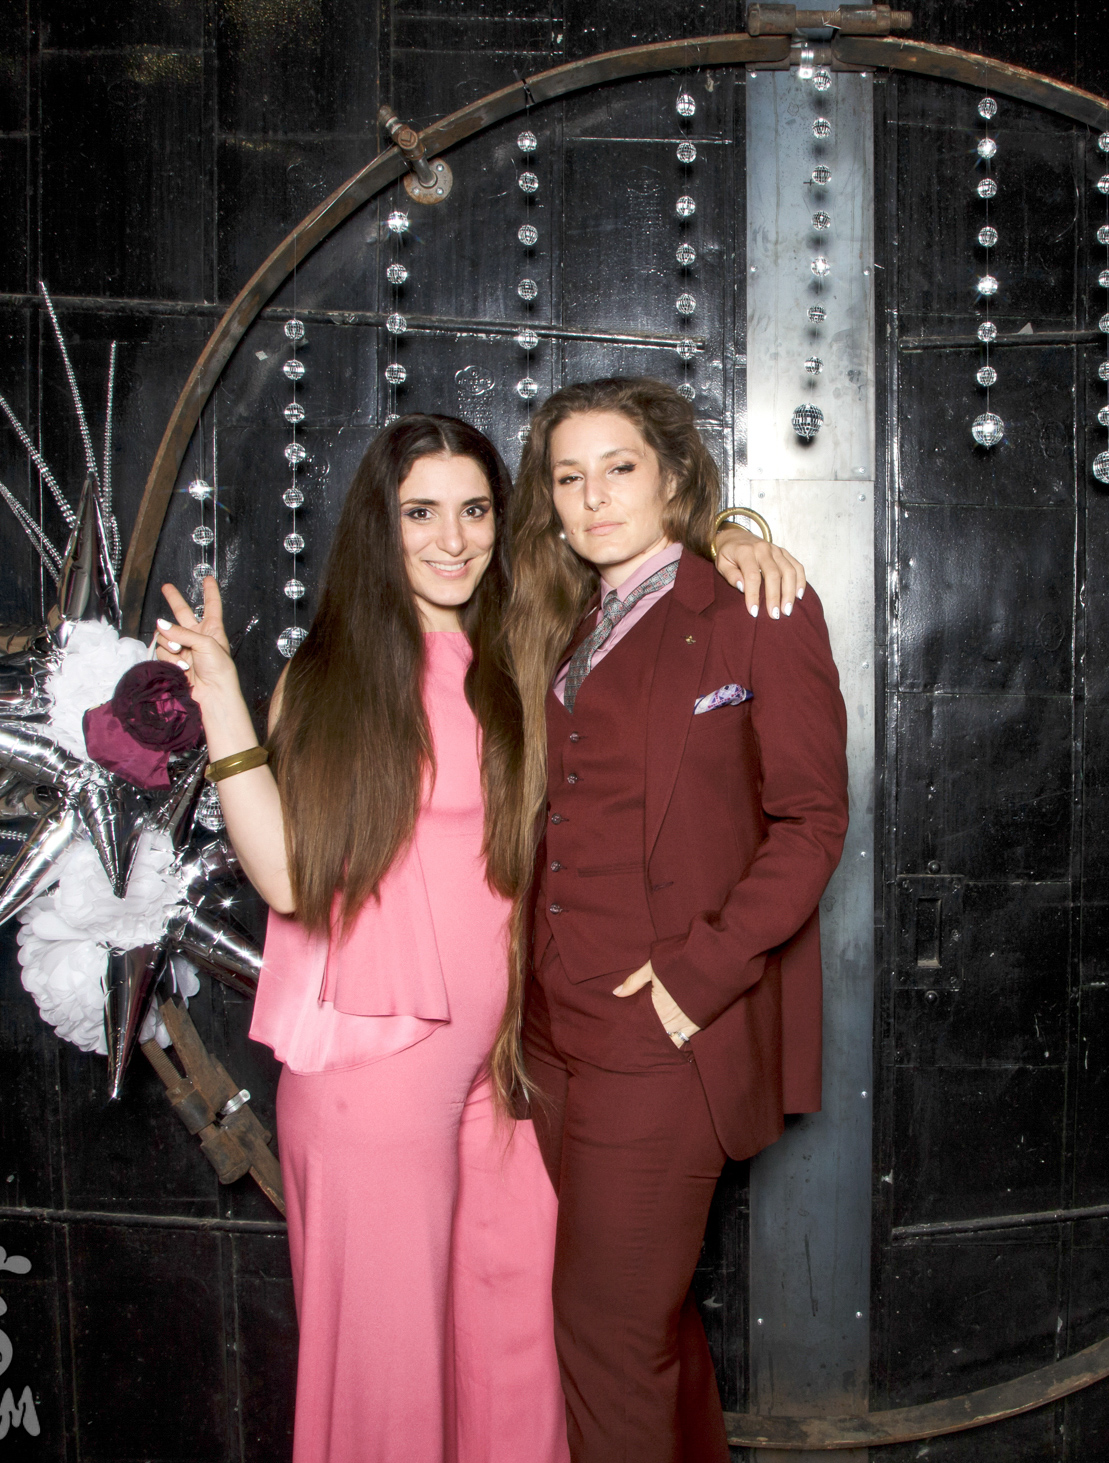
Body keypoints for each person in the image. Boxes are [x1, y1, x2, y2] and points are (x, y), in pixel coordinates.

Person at [148, 412, 805, 1463]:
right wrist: (223, 698)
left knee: (519, 1352)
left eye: (474, 510)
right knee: (388, 1372)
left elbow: (645, 575)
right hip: (379, 1060)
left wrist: (731, 537)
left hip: (510, 1065)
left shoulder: (525, 647)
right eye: (420, 513)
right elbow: (286, 877)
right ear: (380, 523)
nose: (451, 539)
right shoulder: (333, 673)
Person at [503, 378, 849, 1463]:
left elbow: (811, 821)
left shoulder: (756, 607)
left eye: (620, 468)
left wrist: (693, 981)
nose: (594, 496)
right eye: (569, 476)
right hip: (548, 1032)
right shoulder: (554, 620)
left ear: (671, 477)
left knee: (605, 1331)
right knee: (642, 1318)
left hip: (662, 1032)